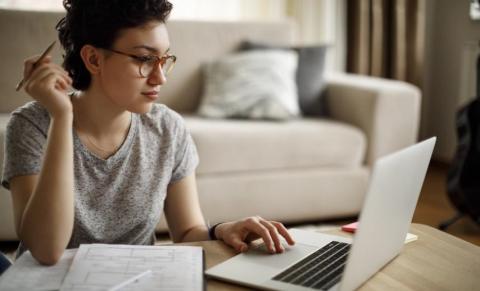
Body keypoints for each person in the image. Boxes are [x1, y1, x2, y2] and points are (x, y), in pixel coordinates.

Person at [1, 0, 295, 265]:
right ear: (93, 59)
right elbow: (46, 251)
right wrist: (62, 117)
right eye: (143, 59)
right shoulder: (31, 126)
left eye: (164, 59)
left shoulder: (168, 128)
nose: (161, 77)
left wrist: (221, 230)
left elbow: (187, 232)